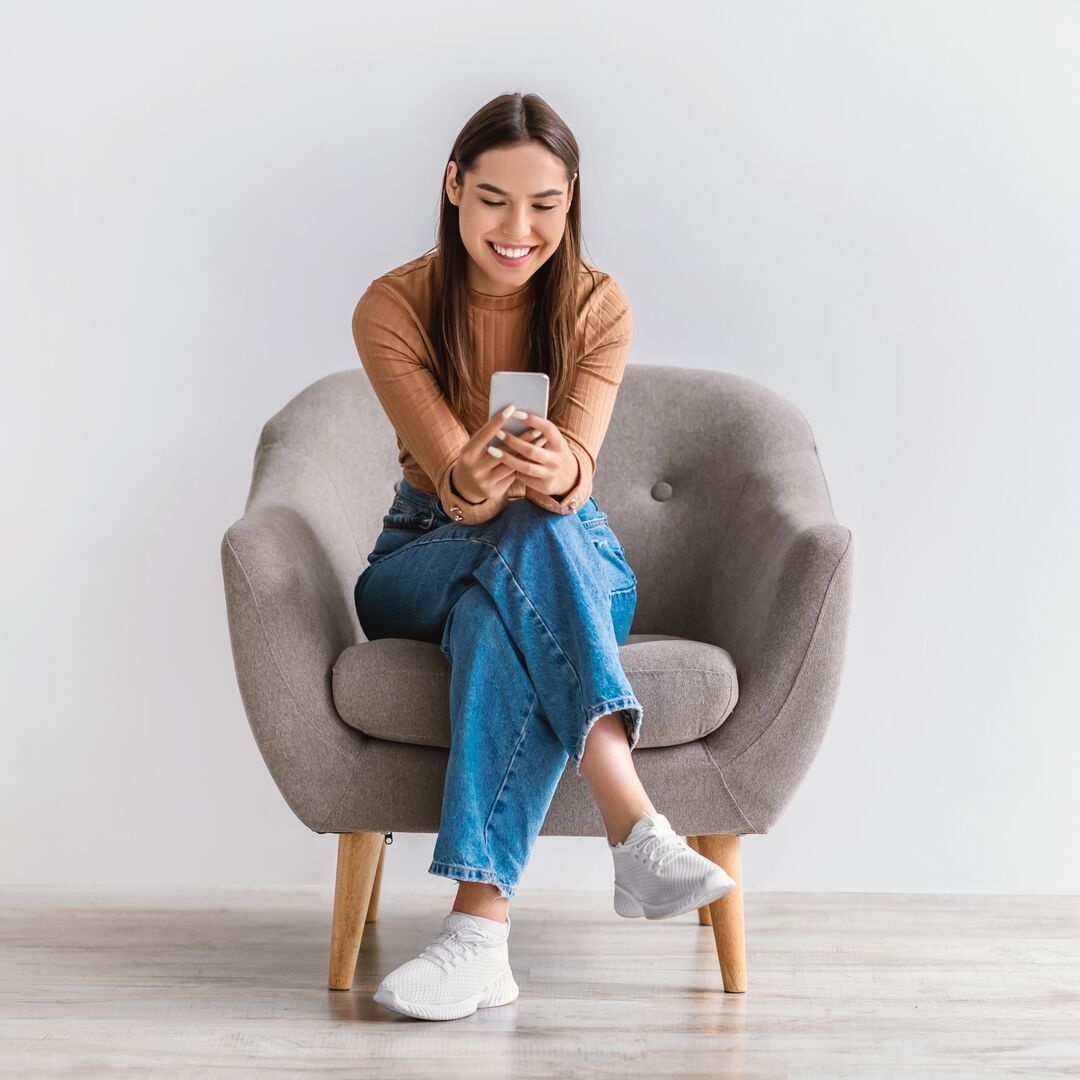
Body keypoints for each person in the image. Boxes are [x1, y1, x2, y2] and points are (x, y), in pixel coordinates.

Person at [351, 92, 734, 1022]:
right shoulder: (392, 307)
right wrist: (474, 478)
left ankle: (478, 938)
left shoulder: (598, 305)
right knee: (511, 536)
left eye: (544, 206)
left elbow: (577, 473)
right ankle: (633, 825)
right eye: (492, 200)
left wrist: (561, 471)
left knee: (503, 605)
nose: (517, 230)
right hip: (425, 551)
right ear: (453, 186)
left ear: (572, 201)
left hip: (567, 549)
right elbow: (455, 484)